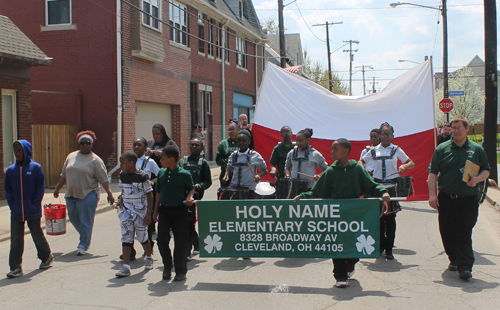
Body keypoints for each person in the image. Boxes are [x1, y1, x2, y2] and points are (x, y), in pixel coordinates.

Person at [294, 139, 390, 288]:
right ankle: (340, 276)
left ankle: (351, 263)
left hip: (354, 215)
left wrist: (383, 192)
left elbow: (371, 185)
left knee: (356, 243)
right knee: (337, 244)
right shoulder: (331, 171)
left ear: (345, 151)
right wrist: (302, 197)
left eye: (335, 149)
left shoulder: (357, 169)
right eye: (332, 149)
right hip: (335, 216)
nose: (332, 152)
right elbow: (316, 191)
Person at [428, 115, 490, 280]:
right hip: (446, 198)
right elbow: (432, 172)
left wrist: (477, 179)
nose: (456, 131)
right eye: (453, 128)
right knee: (447, 231)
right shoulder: (442, 149)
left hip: (468, 198)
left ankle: (465, 266)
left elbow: (486, 170)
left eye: (459, 128)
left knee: (463, 231)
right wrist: (432, 194)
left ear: (467, 129)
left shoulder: (477, 149)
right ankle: (454, 259)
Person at [53, 131, 115, 255]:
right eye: (82, 143)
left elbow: (103, 179)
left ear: (92, 144)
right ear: (79, 143)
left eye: (88, 143)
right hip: (71, 194)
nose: (85, 145)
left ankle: (83, 245)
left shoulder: (95, 160)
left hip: (88, 194)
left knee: (86, 220)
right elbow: (64, 175)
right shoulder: (71, 156)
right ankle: (85, 234)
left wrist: (109, 193)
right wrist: (57, 188)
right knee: (74, 218)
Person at [361, 123, 415, 260]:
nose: (385, 136)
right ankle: (380, 247)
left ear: (392, 136)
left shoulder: (396, 150)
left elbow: (411, 163)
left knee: (390, 219)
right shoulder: (373, 150)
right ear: (379, 135)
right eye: (383, 134)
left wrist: (403, 166)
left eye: (388, 134)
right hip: (378, 186)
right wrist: (365, 170)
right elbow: (360, 161)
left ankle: (389, 249)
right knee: (379, 218)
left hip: (392, 186)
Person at [5, 140, 53, 278]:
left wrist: (34, 203)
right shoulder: (11, 171)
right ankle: (15, 267)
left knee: (37, 235)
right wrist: (12, 205)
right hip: (16, 211)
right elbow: (8, 190)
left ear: (26, 151)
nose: (18, 154)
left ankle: (46, 257)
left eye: (20, 151)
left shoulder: (35, 168)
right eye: (16, 152)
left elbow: (40, 188)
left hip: (32, 209)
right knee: (16, 239)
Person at [153, 145, 195, 282]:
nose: (160, 161)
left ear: (171, 159)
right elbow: (158, 192)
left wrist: (190, 197)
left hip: (180, 211)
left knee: (181, 242)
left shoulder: (184, 174)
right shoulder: (161, 173)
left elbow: (191, 189)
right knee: (161, 240)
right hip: (164, 210)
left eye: (162, 158)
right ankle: (167, 266)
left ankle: (180, 271)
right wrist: (155, 211)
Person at [119, 138, 161, 261]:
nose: (136, 147)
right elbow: (123, 187)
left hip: (143, 201)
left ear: (145, 147)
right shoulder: (126, 165)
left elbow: (160, 174)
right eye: (134, 145)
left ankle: (148, 252)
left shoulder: (149, 162)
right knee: (127, 231)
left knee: (143, 232)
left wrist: (152, 181)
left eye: (139, 145)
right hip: (128, 204)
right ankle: (129, 255)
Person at [115, 152, 154, 277]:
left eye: (122, 163)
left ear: (131, 163)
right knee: (126, 237)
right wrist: (120, 201)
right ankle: (126, 266)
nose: (120, 166)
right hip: (126, 211)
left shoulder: (142, 176)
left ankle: (149, 256)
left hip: (140, 212)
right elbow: (123, 191)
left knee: (142, 237)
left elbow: (149, 194)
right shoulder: (122, 175)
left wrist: (149, 213)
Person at [178, 138, 212, 260]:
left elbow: (208, 181)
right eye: (191, 144)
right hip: (182, 197)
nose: (193, 147)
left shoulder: (203, 163)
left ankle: (189, 249)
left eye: (196, 145)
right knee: (185, 224)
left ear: (201, 148)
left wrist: (200, 186)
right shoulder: (183, 161)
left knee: (190, 223)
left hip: (195, 198)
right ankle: (194, 245)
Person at [223, 129, 268, 197]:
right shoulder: (233, 155)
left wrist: (258, 175)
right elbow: (228, 168)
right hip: (235, 189)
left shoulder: (255, 155)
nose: (241, 143)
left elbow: (265, 170)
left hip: (249, 190)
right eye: (239, 141)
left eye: (244, 141)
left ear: (249, 141)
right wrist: (226, 175)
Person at [216, 120, 240, 187]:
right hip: (226, 175)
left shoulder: (242, 142)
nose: (230, 132)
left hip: (240, 176)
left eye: (233, 129)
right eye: (229, 130)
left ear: (239, 130)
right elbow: (218, 160)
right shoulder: (223, 144)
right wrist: (228, 161)